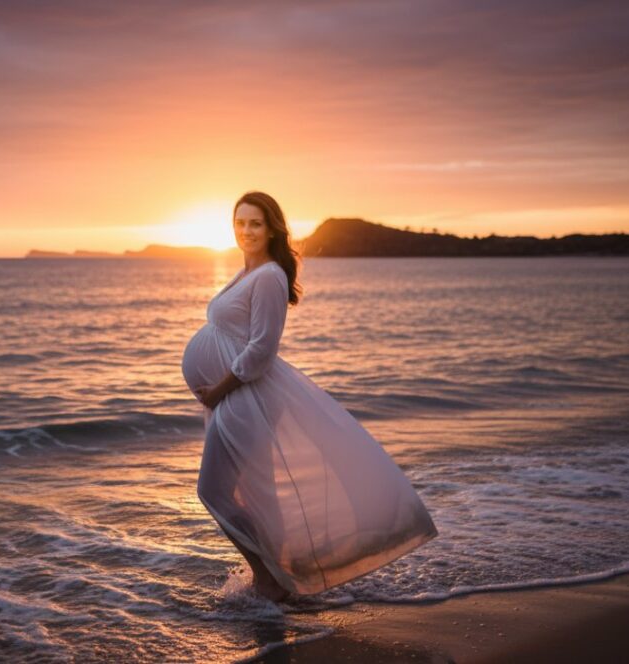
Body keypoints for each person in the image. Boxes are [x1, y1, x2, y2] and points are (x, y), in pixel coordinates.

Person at [181, 191, 438, 602]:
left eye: (255, 223)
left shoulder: (268, 276)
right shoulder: (248, 272)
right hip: (237, 398)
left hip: (247, 396)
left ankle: (268, 578)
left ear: (272, 229)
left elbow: (262, 349)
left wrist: (219, 389)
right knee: (256, 492)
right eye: (240, 222)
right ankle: (285, 580)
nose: (246, 230)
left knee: (213, 491)